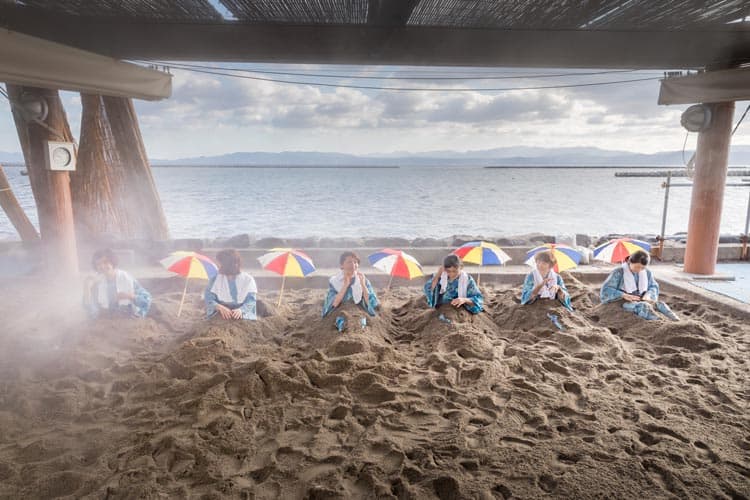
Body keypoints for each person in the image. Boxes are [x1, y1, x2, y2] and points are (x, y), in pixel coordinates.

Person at [600, 250, 679, 321]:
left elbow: (653, 286)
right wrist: (623, 295)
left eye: (643, 268)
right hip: (622, 301)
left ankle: (675, 319)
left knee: (660, 304)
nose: (639, 270)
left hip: (641, 298)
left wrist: (648, 294)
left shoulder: (647, 272)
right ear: (630, 262)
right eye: (637, 267)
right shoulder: (618, 272)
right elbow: (605, 290)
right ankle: (659, 321)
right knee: (642, 306)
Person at [83, 248, 151, 318]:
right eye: (98, 264)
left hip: (129, 317)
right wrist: (87, 288)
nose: (102, 266)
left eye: (105, 262)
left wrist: (130, 296)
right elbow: (92, 311)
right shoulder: (97, 283)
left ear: (112, 262)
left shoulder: (126, 278)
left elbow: (146, 301)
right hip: (107, 320)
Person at [322, 251, 379, 317]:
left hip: (359, 311)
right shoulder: (334, 281)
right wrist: (345, 285)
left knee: (361, 322)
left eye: (355, 262)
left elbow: (371, 303)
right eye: (349, 262)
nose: (353, 265)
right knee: (342, 321)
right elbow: (334, 304)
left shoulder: (363, 279)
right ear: (341, 265)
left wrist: (363, 285)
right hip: (340, 311)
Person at [205, 249, 257, 320]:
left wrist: (241, 310)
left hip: (243, 313)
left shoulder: (248, 280)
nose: (217, 265)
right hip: (221, 311)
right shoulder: (215, 279)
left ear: (227, 264)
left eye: (219, 263)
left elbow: (251, 301)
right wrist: (218, 306)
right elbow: (209, 298)